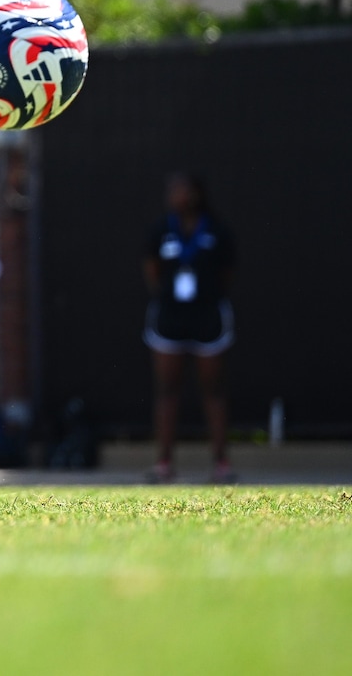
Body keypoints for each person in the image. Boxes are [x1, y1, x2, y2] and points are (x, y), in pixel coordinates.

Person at [141, 173, 237, 484]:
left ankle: (221, 463)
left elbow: (227, 272)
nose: (177, 196)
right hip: (171, 316)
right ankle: (164, 462)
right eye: (173, 190)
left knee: (213, 389)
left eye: (183, 190)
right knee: (167, 390)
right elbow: (152, 269)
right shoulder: (160, 229)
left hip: (207, 315)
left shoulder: (217, 230)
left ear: (197, 194)